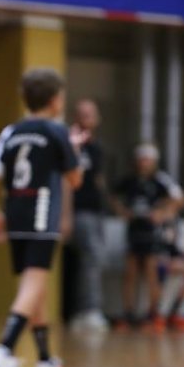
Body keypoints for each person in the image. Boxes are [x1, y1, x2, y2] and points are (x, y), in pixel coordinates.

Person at [0, 68, 85, 367]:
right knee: (34, 284)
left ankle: (44, 362)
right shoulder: (57, 132)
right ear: (56, 100)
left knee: (32, 287)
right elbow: (75, 179)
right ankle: (4, 349)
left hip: (15, 212)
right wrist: (75, 148)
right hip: (42, 212)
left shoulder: (11, 132)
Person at [110, 144, 184, 332]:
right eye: (141, 159)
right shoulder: (130, 180)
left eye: (148, 159)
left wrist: (162, 212)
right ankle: (128, 314)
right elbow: (113, 196)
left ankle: (153, 314)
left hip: (152, 231)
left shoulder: (160, 179)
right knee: (131, 272)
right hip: (134, 229)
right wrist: (122, 211)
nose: (144, 163)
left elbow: (180, 199)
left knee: (152, 271)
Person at [68, 99, 110, 332]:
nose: (86, 119)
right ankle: (88, 310)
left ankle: (88, 309)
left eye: (90, 114)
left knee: (95, 258)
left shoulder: (97, 148)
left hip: (96, 210)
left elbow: (99, 180)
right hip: (79, 210)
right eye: (82, 114)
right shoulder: (73, 144)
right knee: (91, 256)